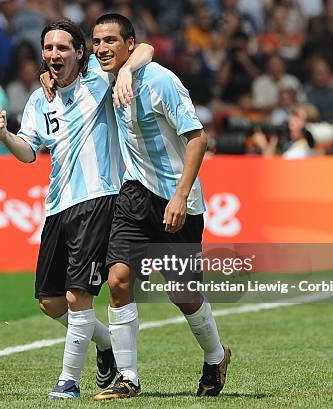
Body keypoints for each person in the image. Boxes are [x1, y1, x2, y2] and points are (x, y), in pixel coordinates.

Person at [0, 19, 154, 400]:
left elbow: (145, 50)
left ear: (81, 52)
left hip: (100, 197)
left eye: (63, 47)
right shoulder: (38, 99)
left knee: (79, 294)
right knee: (50, 301)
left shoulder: (98, 77)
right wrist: (3, 135)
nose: (54, 54)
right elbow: (28, 152)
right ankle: (106, 343)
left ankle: (68, 380)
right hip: (57, 206)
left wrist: (126, 69)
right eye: (48, 48)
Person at [89, 14, 231, 401]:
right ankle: (128, 378)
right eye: (97, 41)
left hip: (177, 198)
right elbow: (64, 61)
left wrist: (181, 196)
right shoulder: (101, 71)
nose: (101, 48)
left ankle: (216, 356)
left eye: (111, 41)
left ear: (129, 45)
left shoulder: (161, 81)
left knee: (182, 293)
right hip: (134, 194)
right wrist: (46, 76)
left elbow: (198, 139)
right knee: (117, 279)